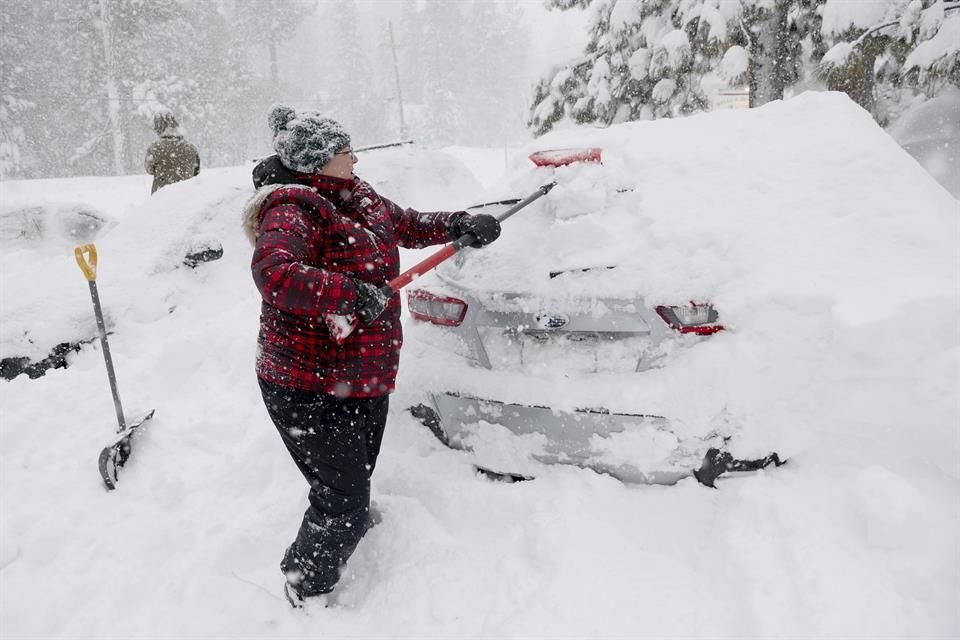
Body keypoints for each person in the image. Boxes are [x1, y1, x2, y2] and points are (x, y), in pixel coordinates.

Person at [242, 104, 501, 607]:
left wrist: (460, 223)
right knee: (344, 499)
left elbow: (404, 223)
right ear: (316, 163)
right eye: (344, 152)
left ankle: (343, 519)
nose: (355, 157)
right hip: (305, 381)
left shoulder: (355, 193)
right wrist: (349, 293)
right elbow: (273, 274)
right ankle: (305, 588)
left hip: (360, 372)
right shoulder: (293, 209)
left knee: (353, 477)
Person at [144, 111, 200, 194]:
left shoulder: (155, 147)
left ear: (159, 127)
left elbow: (149, 169)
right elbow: (196, 172)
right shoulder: (191, 147)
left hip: (162, 196)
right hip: (188, 197)